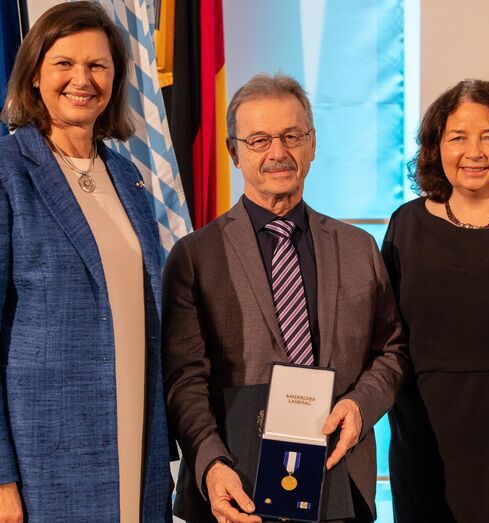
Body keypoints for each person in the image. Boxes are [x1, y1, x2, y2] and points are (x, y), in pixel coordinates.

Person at [162, 73, 408, 523]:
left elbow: (391, 352)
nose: (278, 153)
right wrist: (212, 464)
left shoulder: (359, 249)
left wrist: (360, 406)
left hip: (339, 480)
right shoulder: (194, 256)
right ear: (233, 151)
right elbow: (184, 381)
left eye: (292, 136)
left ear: (312, 143)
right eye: (258, 140)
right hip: (237, 488)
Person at [0, 2, 172, 522]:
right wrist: (1, 475)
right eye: (64, 63)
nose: (83, 79)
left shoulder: (128, 179)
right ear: (34, 75)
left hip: (136, 442)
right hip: (44, 460)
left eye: (98, 66)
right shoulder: (9, 171)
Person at [382, 79, 489, 522]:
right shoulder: (406, 225)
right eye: (457, 137)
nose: (473, 152)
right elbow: (386, 337)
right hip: (426, 441)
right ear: (436, 147)